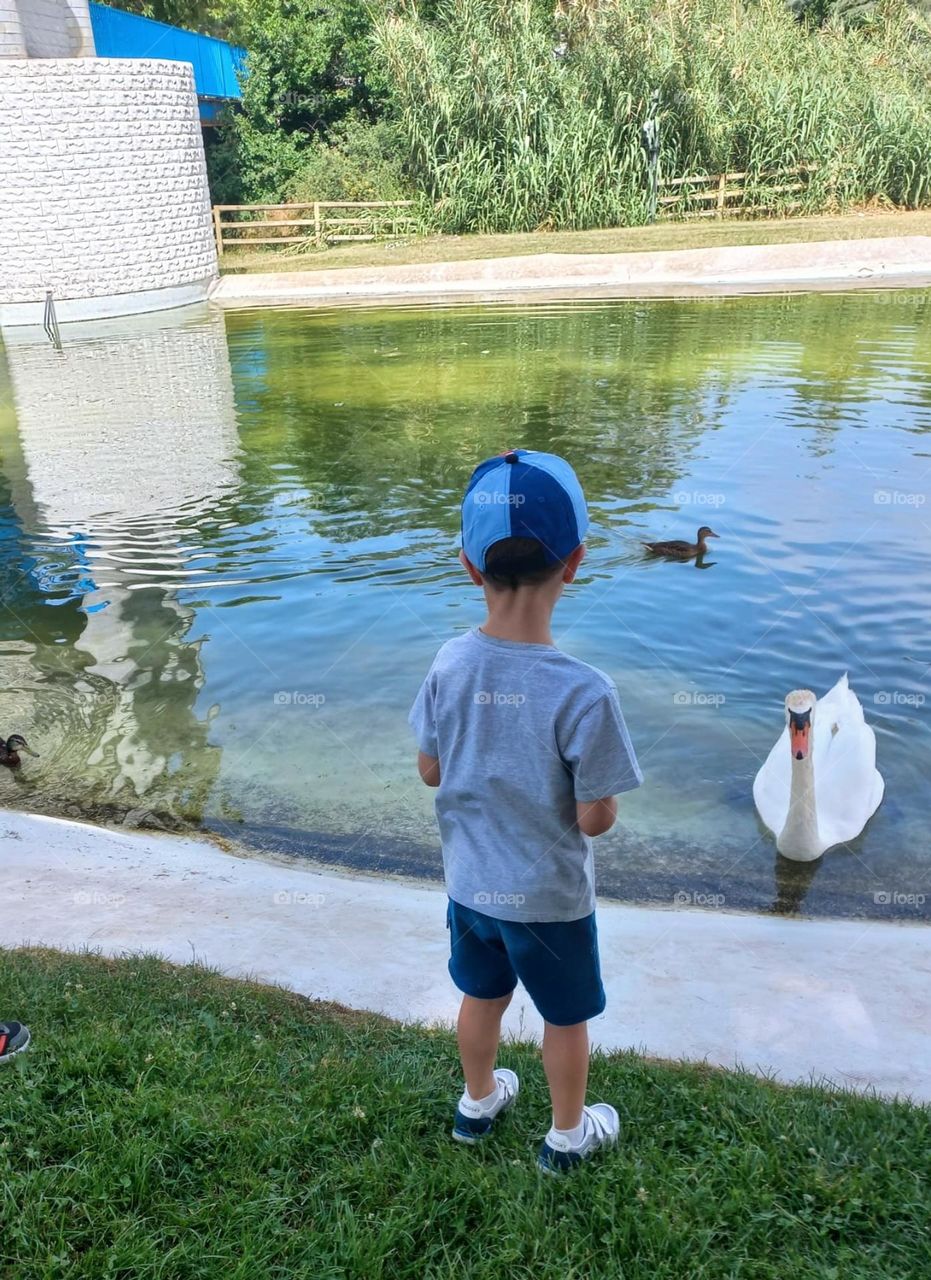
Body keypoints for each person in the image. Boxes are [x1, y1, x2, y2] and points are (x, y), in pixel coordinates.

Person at [409, 449, 642, 1174]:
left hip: (469, 889)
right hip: (549, 903)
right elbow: (594, 818)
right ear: (574, 562)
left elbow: (429, 770)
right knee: (562, 1016)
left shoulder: (447, 663)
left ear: (468, 565)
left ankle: (477, 1102)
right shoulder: (585, 691)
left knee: (481, 996)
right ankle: (566, 1136)